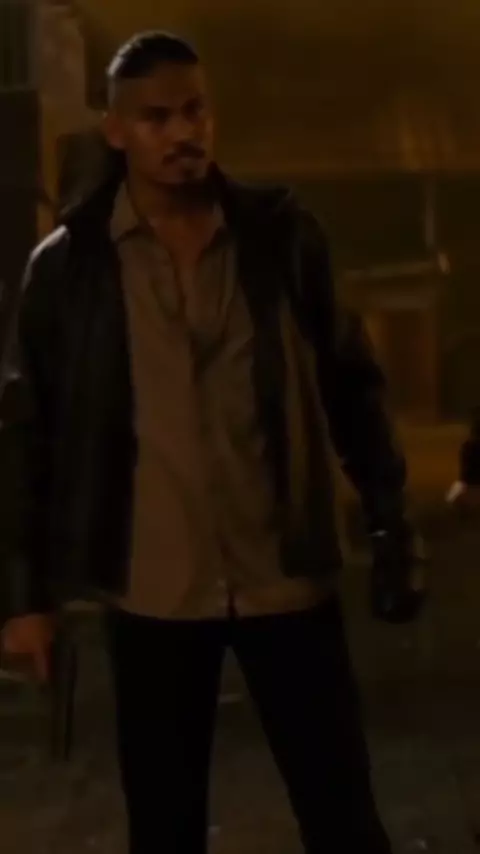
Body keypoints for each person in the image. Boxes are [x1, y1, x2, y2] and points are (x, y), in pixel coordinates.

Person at [0, 31, 425, 854]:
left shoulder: (282, 239)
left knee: (343, 818)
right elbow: (26, 433)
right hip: (153, 589)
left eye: (194, 111)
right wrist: (25, 598)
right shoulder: (69, 268)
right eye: (156, 117)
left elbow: (355, 388)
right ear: (115, 130)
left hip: (285, 579)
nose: (182, 132)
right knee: (165, 829)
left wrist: (390, 522)